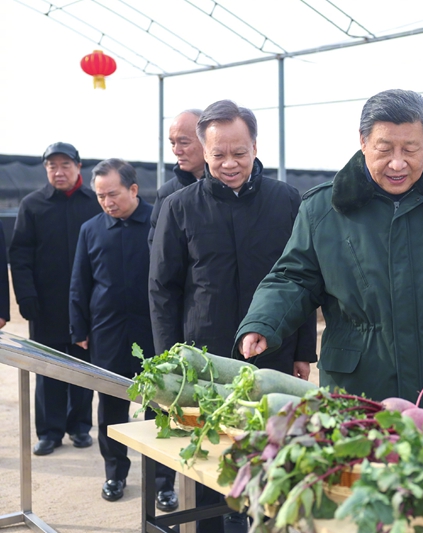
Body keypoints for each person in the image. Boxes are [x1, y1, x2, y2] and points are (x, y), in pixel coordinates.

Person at [237, 89, 423, 425]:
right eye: (385, 149)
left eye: (410, 149)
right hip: (359, 393)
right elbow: (293, 278)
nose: (397, 163)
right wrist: (263, 321)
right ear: (363, 142)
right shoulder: (323, 210)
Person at [149, 100, 317, 531]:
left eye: (239, 153)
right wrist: (171, 361)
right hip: (202, 359)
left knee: (267, 456)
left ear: (255, 146)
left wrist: (304, 351)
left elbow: (301, 279)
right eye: (218, 154)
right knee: (208, 460)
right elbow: (163, 290)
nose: (229, 163)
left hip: (272, 353)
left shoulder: (286, 201)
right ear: (203, 153)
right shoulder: (179, 206)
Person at [69, 158, 179, 507]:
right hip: (108, 333)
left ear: (133, 189)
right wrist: (79, 328)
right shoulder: (91, 229)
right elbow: (80, 282)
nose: (106, 202)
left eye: (112, 194)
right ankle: (114, 474)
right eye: (100, 196)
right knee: (111, 408)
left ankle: (163, 482)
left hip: (154, 333)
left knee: (160, 408)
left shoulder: (159, 221)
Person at [10, 142, 102, 456]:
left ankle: (79, 427)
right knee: (47, 368)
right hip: (44, 305)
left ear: (79, 166)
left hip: (87, 305)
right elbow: (19, 255)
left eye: (65, 165)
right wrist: (26, 296)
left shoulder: (94, 203)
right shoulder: (32, 205)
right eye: (52, 166)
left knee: (81, 365)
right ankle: (49, 432)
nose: (58, 172)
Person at [148, 109, 205, 246]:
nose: (176, 150)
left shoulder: (231, 185)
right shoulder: (167, 193)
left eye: (184, 143)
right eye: (173, 143)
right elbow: (158, 249)